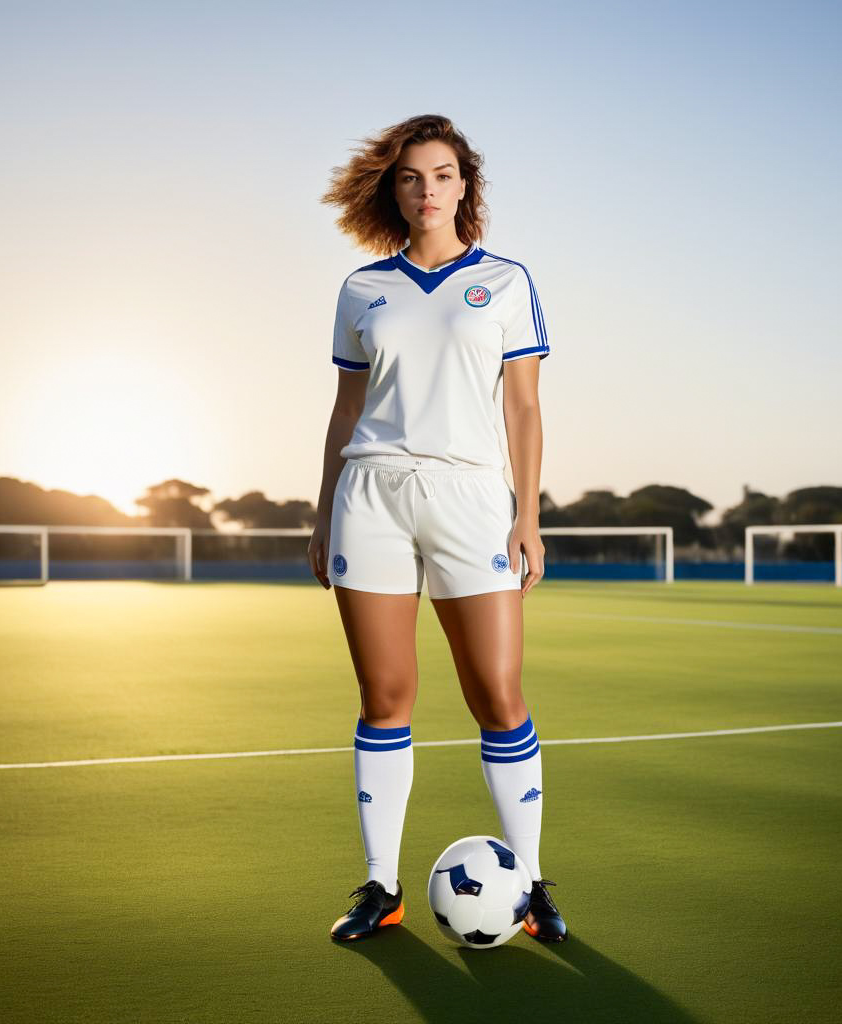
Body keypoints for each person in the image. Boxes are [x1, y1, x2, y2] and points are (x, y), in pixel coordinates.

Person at [310, 113, 566, 944]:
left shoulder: (507, 280)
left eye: (444, 175)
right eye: (413, 177)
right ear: (395, 188)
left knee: (499, 695)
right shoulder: (361, 289)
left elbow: (525, 409)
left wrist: (528, 515)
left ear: (466, 184)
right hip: (371, 496)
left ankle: (527, 886)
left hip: (472, 501)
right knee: (384, 697)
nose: (428, 190)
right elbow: (346, 409)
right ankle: (381, 887)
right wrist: (323, 511)